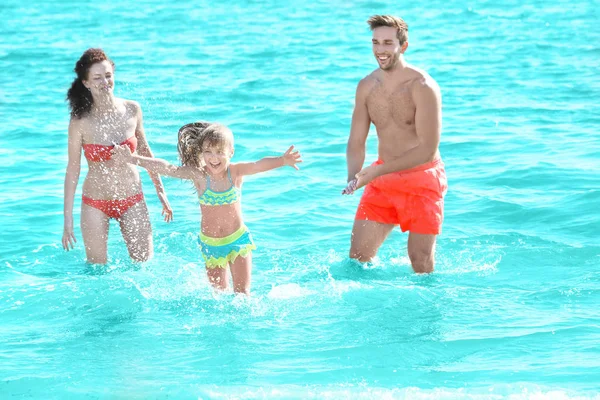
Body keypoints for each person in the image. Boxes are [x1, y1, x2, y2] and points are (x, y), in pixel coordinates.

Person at [111, 122, 302, 294]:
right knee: (218, 294)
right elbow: (169, 168)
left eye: (220, 152)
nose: (214, 158)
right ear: (201, 153)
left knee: (242, 295)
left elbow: (257, 165)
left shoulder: (234, 172)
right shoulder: (200, 176)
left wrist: (282, 160)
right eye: (208, 152)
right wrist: (133, 159)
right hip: (211, 244)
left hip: (237, 240)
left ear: (231, 153)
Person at [342, 15, 448, 273]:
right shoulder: (367, 86)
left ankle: (425, 310)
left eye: (388, 43)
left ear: (404, 46)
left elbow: (427, 149)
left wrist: (375, 172)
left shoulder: (423, 86)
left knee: (420, 262)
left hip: (422, 179)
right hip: (382, 181)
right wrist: (353, 177)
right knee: (357, 257)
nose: (380, 50)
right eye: (376, 42)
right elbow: (357, 140)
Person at [62, 48, 173, 264]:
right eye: (97, 78)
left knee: (144, 266)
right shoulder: (80, 122)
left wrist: (161, 192)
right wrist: (68, 219)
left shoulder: (132, 109)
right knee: (96, 271)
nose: (105, 82)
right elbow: (73, 169)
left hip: (132, 199)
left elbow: (146, 152)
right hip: (95, 202)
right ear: (86, 83)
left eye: (108, 75)